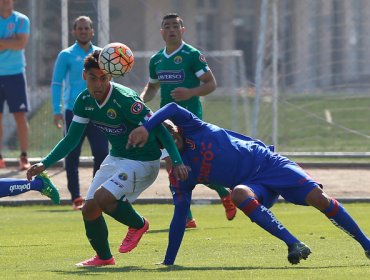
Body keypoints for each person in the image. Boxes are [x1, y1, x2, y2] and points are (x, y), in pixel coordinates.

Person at [127, 102, 370, 266]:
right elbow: (180, 216)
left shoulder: (193, 126)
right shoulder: (180, 173)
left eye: (170, 133)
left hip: (269, 163)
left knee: (318, 198)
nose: (171, 138)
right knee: (239, 194)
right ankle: (293, 243)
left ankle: (366, 244)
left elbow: (171, 107)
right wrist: (168, 261)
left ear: (176, 130)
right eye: (164, 140)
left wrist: (146, 126)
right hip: (252, 184)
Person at [26, 50, 187, 267]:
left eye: (103, 78)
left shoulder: (125, 99)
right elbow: (71, 139)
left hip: (143, 162)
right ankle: (104, 258)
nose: (98, 84)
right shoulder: (83, 101)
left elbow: (159, 129)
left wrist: (175, 160)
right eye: (93, 78)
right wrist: (44, 162)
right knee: (89, 210)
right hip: (116, 158)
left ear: (110, 77)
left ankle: (138, 224)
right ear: (84, 76)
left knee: (103, 197)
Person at [140, 13, 236, 227]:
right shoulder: (156, 59)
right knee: (172, 165)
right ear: (162, 32)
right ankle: (187, 216)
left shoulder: (192, 55)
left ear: (183, 30)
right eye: (167, 26)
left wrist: (191, 92)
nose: (172, 29)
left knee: (197, 165)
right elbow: (153, 86)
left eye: (176, 26)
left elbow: (210, 83)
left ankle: (224, 193)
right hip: (168, 123)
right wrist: (139, 100)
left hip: (191, 121)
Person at [51, 16, 108, 210]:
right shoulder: (65, 55)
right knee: (72, 154)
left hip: (98, 111)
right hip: (73, 111)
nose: (83, 31)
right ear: (74, 32)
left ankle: (94, 195)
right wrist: (56, 110)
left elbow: (108, 81)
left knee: (101, 152)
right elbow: (57, 83)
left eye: (87, 28)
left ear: (92, 31)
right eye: (80, 28)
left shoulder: (100, 54)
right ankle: (76, 197)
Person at [0, 0, 31, 170]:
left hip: (16, 74)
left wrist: (5, 42)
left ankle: (24, 157)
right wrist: (10, 40)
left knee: (20, 116)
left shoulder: (22, 20)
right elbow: (16, 43)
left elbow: (21, 44)